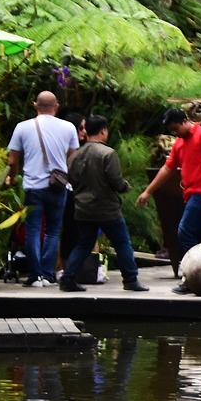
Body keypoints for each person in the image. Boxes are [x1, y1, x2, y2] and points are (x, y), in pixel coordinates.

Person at [138, 107, 201, 290]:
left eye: (176, 128)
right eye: (171, 131)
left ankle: (191, 277)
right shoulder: (179, 143)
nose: (174, 133)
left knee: (185, 232)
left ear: (185, 121)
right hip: (191, 193)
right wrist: (148, 191)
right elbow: (167, 168)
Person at [59, 115, 146, 292]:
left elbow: (71, 180)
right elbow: (116, 180)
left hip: (82, 208)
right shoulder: (108, 153)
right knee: (122, 243)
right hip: (107, 208)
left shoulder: (75, 156)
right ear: (103, 131)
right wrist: (124, 187)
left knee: (83, 244)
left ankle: (67, 278)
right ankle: (130, 279)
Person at [4, 91, 79, 287]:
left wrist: (12, 177)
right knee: (53, 231)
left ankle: (34, 276)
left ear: (35, 106)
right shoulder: (69, 127)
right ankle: (48, 275)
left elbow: (12, 160)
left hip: (33, 187)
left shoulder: (22, 127)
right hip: (58, 187)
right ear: (57, 106)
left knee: (33, 230)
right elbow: (73, 158)